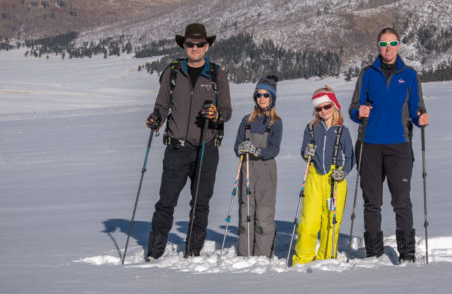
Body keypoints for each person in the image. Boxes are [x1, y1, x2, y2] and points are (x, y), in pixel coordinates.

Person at [144, 23, 232, 260]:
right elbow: (162, 105)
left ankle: (192, 252)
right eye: (190, 44)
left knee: (200, 204)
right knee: (166, 202)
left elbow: (226, 110)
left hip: (207, 147)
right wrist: (156, 119)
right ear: (184, 45)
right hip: (177, 148)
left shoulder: (216, 74)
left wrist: (216, 114)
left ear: (207, 45)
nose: (195, 48)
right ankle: (154, 252)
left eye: (199, 44)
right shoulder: (173, 72)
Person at [349, 27, 429, 263]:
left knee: (401, 200)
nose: (388, 49)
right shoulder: (367, 74)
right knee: (372, 202)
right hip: (369, 145)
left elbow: (417, 108)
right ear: (378, 47)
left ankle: (407, 254)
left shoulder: (410, 75)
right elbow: (354, 108)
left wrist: (420, 117)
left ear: (399, 46)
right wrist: (358, 112)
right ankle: (374, 253)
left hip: (399, 147)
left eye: (392, 44)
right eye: (383, 44)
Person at [292, 86, 354, 265]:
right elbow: (304, 151)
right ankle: (302, 260)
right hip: (314, 178)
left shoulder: (343, 131)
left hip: (335, 180)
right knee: (308, 222)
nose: (323, 111)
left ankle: (327, 259)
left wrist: (343, 171)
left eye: (326, 106)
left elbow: (350, 157)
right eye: (318, 108)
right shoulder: (311, 128)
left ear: (334, 105)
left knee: (331, 222)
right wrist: (307, 152)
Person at [233, 75, 283, 257]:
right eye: (258, 95)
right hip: (247, 171)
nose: (262, 98)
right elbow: (236, 146)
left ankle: (262, 257)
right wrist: (241, 148)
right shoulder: (246, 120)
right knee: (246, 215)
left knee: (264, 217)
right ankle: (245, 255)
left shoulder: (276, 122)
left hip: (266, 173)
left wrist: (257, 151)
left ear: (272, 98)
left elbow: (274, 149)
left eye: (266, 95)